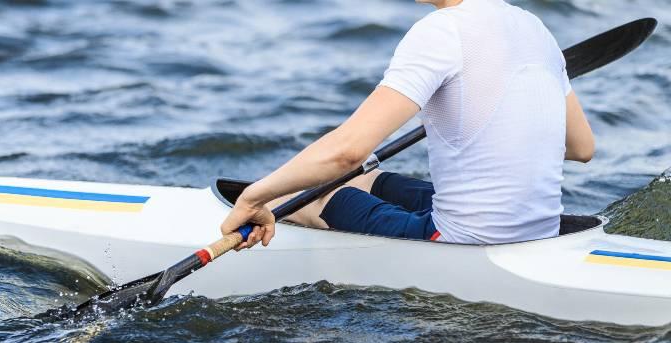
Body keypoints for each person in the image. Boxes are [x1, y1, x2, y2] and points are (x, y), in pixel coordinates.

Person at [220, 0, 595, 249]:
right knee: (363, 180)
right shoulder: (535, 27)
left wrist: (254, 197)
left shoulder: (441, 31)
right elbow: (582, 147)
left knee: (292, 196)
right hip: (540, 233)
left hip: (459, 242)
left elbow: (347, 151)